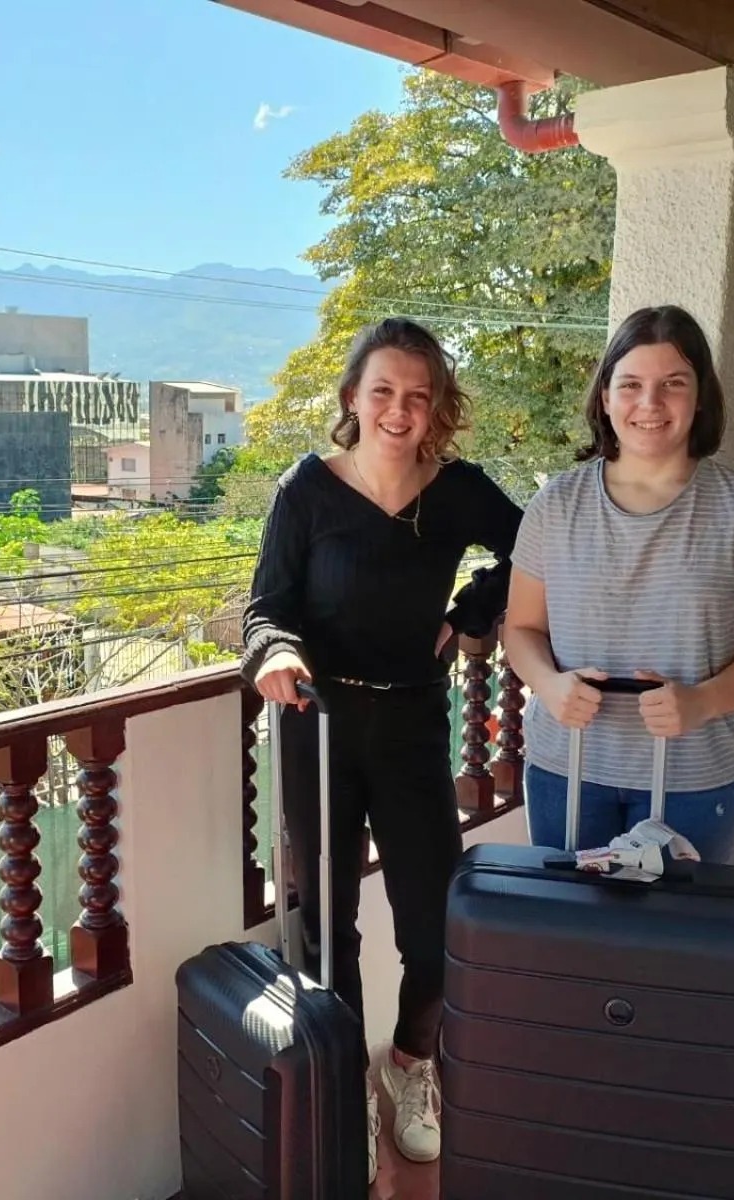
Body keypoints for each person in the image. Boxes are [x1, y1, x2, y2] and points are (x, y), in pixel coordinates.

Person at [242, 316, 522, 1181]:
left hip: (409, 725)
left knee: (433, 925)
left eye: (417, 394)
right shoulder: (307, 490)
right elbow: (266, 605)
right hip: (316, 725)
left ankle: (409, 1065)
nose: (400, 410)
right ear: (352, 399)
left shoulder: (459, 491)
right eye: (383, 392)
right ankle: (350, 1087)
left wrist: (473, 611)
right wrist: (277, 651)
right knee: (326, 930)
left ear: (434, 405)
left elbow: (536, 550)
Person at [502, 304, 734, 863]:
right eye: (631, 384)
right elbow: (521, 627)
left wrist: (705, 701)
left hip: (693, 776)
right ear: (605, 396)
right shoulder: (554, 505)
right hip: (565, 770)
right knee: (569, 940)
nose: (650, 404)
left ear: (700, 397)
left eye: (673, 384)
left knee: (673, 944)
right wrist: (548, 683)